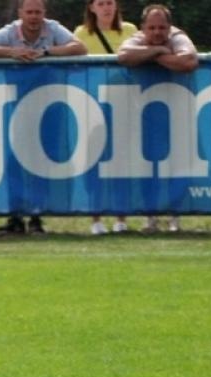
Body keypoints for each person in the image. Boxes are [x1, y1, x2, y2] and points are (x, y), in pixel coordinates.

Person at [0, 0, 86, 234]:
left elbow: (79, 48)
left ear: (44, 13)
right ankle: (15, 214)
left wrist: (46, 52)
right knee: (13, 161)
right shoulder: (10, 31)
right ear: (20, 13)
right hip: (15, 107)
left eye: (38, 12)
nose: (34, 17)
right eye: (29, 12)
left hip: (49, 105)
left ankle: (36, 215)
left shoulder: (52, 28)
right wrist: (11, 52)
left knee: (43, 160)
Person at [117, 4, 198, 233]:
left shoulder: (179, 36)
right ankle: (150, 216)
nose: (156, 33)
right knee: (147, 165)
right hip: (144, 115)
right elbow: (123, 56)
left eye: (161, 28)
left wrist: (153, 56)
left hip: (179, 112)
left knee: (177, 165)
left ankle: (175, 217)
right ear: (143, 27)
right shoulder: (136, 38)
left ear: (169, 27)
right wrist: (159, 52)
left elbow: (189, 62)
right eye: (151, 28)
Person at [75, 0, 135, 235]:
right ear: (92, 8)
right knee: (94, 163)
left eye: (110, 3)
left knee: (121, 163)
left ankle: (121, 217)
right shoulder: (82, 33)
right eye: (101, 3)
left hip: (122, 105)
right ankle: (95, 217)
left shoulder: (130, 30)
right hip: (92, 106)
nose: (106, 8)